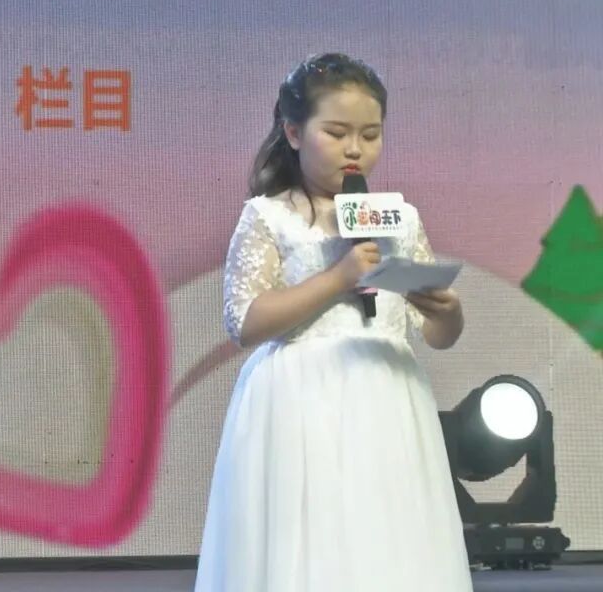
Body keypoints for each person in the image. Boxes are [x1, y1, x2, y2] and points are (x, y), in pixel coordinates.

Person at [194, 53, 471, 591]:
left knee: (387, 542)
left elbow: (437, 334)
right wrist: (338, 278)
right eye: (337, 133)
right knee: (309, 542)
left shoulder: (399, 218)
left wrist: (449, 312)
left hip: (388, 397)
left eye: (371, 134)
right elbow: (245, 320)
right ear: (294, 132)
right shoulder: (269, 215)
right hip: (300, 403)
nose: (355, 149)